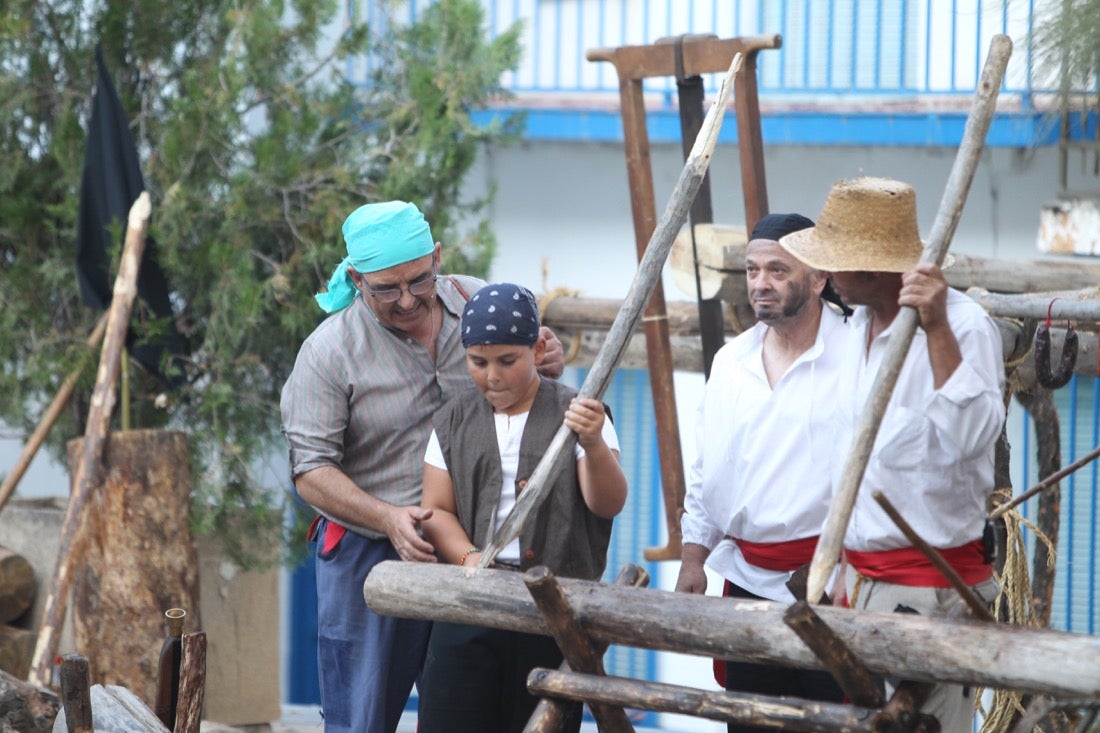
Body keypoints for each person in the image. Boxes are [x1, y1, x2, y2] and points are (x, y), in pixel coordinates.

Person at [280, 201, 565, 733]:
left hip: (469, 549)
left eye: (419, 279)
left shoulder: (478, 300)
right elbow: (309, 470)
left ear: (438, 257)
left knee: (471, 713)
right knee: (360, 717)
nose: (407, 299)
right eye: (386, 288)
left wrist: (549, 358)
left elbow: (529, 361)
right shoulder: (328, 352)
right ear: (355, 278)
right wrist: (388, 517)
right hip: (370, 553)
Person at [780, 177, 1005, 732]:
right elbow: (849, 467)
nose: (825, 275)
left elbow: (974, 433)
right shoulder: (853, 330)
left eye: (835, 262)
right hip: (859, 583)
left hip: (930, 593)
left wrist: (934, 329)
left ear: (872, 269)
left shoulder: (962, 325)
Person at [416, 282, 628, 733]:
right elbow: (436, 511)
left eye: (507, 361)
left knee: (538, 723)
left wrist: (591, 442)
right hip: (471, 603)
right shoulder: (453, 419)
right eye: (479, 362)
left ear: (536, 349)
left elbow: (607, 503)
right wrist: (471, 559)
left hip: (552, 611)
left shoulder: (578, 413)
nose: (492, 376)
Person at [675, 213, 848, 732]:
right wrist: (693, 560)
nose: (760, 283)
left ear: (818, 277)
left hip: (831, 589)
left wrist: (836, 569)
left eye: (777, 269)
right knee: (751, 724)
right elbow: (708, 473)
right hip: (747, 583)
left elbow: (881, 475)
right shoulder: (731, 361)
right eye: (752, 270)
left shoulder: (857, 350)